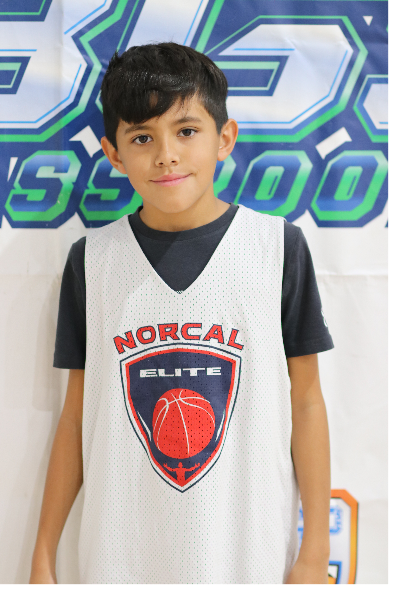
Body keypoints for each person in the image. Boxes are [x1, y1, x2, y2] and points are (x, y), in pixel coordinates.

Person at [30, 43, 334, 585]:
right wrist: (44, 554)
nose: (166, 155)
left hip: (248, 554)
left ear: (225, 138)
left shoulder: (276, 248)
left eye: (186, 130)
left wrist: (315, 550)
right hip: (120, 554)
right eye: (142, 138)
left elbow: (307, 401)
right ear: (113, 154)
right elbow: (77, 416)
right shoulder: (93, 260)